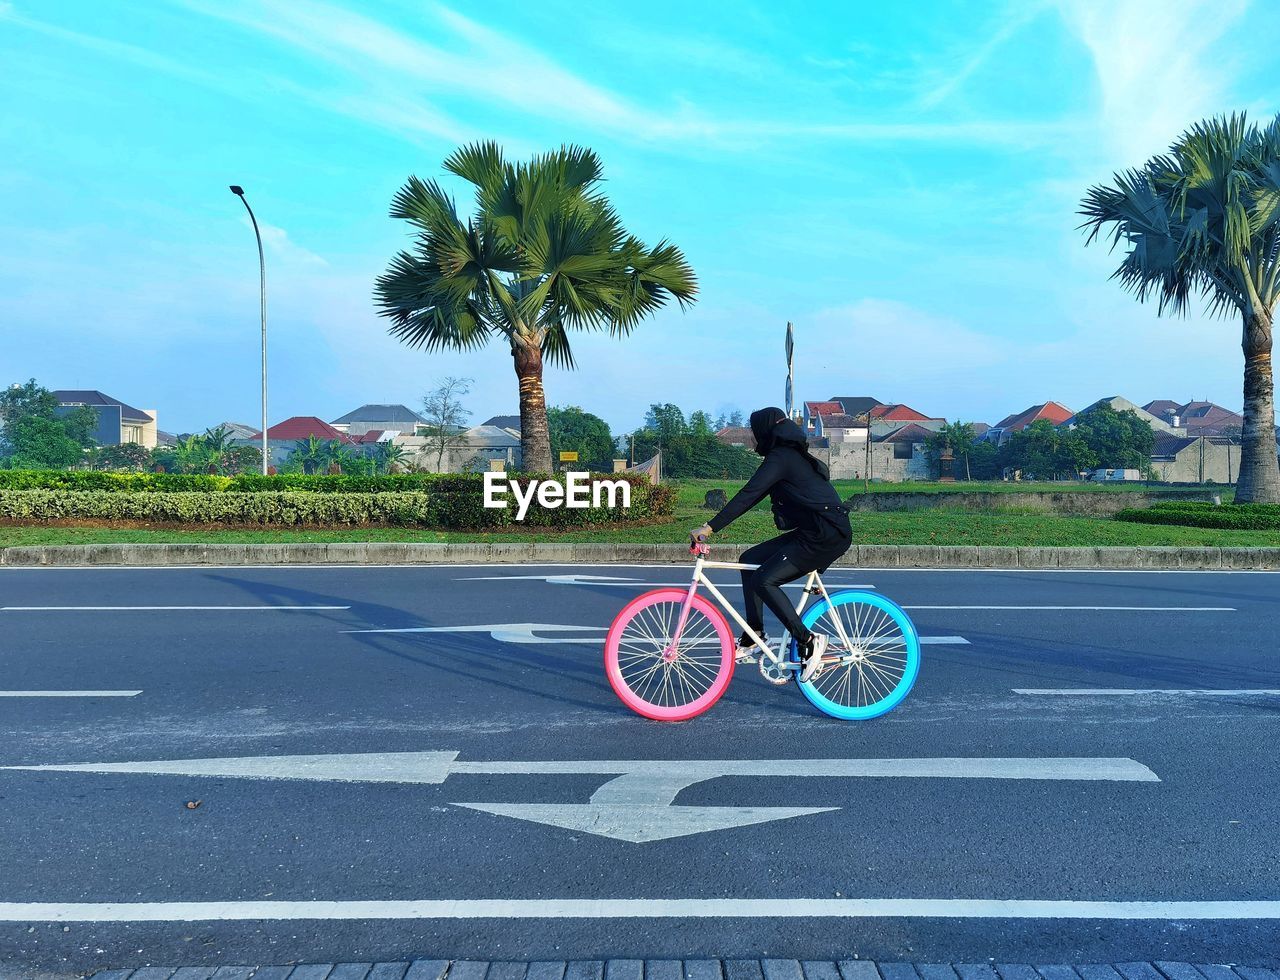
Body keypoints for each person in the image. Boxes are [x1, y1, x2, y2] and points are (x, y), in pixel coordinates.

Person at [691, 406, 853, 683]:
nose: (754, 441)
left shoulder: (782, 458)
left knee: (764, 580)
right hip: (815, 531)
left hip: (825, 534)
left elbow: (748, 494)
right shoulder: (786, 457)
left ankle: (809, 640)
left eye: (755, 435)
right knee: (749, 559)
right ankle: (753, 635)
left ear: (767, 431)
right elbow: (753, 496)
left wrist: (709, 527)